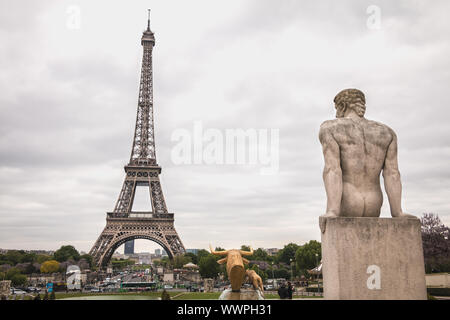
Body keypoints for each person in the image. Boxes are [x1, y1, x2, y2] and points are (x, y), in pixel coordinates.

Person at [319, 89, 416, 219]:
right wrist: (397, 212)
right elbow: (392, 173)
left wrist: (333, 211)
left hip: (348, 200)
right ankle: (398, 210)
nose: (336, 114)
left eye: (337, 109)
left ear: (343, 106)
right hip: (374, 203)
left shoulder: (330, 128)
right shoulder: (387, 132)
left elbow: (332, 170)